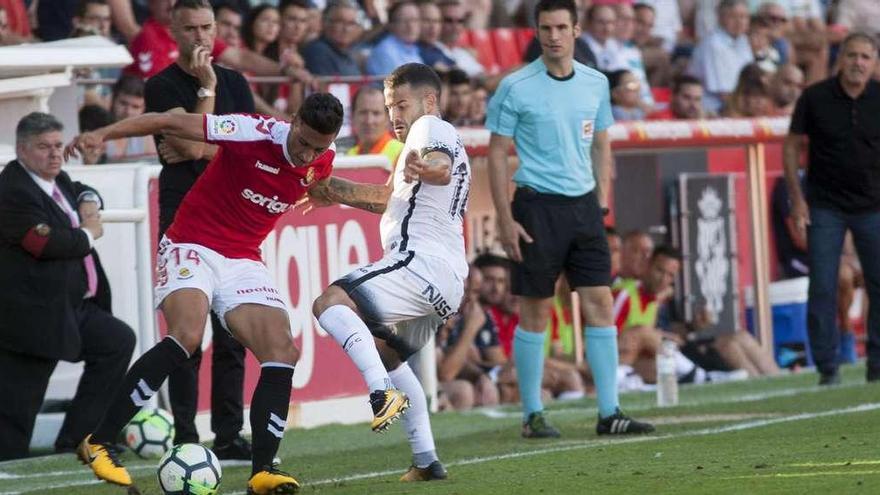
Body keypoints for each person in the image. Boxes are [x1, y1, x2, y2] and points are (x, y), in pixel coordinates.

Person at [64, 93, 344, 493]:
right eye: (304, 143)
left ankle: (263, 471)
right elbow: (168, 120)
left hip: (243, 258)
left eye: (318, 148)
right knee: (187, 337)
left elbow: (320, 181)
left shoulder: (321, 157)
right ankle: (99, 441)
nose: (307, 155)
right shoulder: (252, 131)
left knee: (282, 351)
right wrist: (103, 134)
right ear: (293, 120)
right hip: (191, 244)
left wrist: (325, 192)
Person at [486, 0, 653, 439]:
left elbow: (601, 144)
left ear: (577, 30)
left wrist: (602, 202)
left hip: (584, 208)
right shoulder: (515, 86)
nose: (553, 35)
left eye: (561, 27)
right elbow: (498, 152)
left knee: (599, 302)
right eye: (546, 28)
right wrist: (505, 219)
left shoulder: (596, 83)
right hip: (536, 206)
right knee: (536, 310)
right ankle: (533, 413)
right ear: (536, 32)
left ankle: (610, 410)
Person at [308, 62, 469, 482]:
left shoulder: (430, 128)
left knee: (328, 302)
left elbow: (441, 167)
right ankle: (426, 460)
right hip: (446, 283)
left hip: (420, 264)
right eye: (388, 106)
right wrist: (334, 190)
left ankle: (380, 393)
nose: (394, 115)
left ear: (428, 101)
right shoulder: (418, 145)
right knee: (388, 354)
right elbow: (389, 199)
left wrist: (424, 167)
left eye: (400, 104)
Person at [142, 0, 257, 460]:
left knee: (232, 333)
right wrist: (206, 97)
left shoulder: (239, 83)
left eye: (207, 27)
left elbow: (243, 151)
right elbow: (192, 145)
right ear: (173, 31)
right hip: (183, 218)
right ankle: (186, 437)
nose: (200, 37)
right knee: (186, 335)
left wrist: (201, 148)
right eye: (190, 28)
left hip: (232, 218)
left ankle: (229, 435)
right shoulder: (160, 86)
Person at [0, 113, 135, 460]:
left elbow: (81, 191)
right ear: (22, 150)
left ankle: (78, 437)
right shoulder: (13, 189)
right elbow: (44, 244)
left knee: (117, 341)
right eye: (44, 147)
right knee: (18, 404)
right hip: (32, 313)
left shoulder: (57, 180)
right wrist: (90, 232)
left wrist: (89, 202)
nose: (55, 154)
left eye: (59, 145)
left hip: (73, 305)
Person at [784, 32, 880, 386]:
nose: (858, 63)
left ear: (873, 62)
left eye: (865, 57)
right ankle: (827, 367)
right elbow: (792, 146)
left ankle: (877, 364)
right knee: (823, 284)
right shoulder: (815, 97)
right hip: (824, 204)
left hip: (874, 204)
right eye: (852, 55)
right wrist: (797, 197)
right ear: (841, 57)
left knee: (879, 282)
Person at [687, 0, 754, 114]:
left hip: (736, 104)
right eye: (733, 17)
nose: (739, 22)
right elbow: (724, 94)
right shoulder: (713, 44)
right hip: (712, 110)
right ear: (720, 18)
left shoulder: (743, 41)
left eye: (743, 17)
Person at [337, 86, 404, 164]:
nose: (369, 121)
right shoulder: (348, 157)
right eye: (363, 112)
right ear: (353, 116)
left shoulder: (402, 154)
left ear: (388, 118)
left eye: (376, 113)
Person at [301, 0, 363, 76]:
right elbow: (324, 86)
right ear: (325, 23)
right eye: (340, 22)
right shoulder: (318, 51)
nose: (346, 29)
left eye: (351, 23)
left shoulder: (347, 53)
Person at [105, 75, 158, 163]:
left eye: (135, 107)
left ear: (143, 109)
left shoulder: (148, 139)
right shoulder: (96, 131)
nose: (128, 111)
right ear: (113, 100)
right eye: (123, 103)